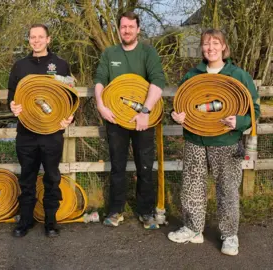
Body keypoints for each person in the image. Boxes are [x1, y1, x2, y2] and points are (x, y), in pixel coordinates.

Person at [168, 29, 260, 256]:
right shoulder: (192, 75)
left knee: (227, 190)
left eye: (215, 43)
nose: (210, 47)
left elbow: (254, 110)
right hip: (195, 139)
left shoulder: (238, 75)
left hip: (226, 141)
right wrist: (175, 115)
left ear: (224, 46)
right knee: (192, 187)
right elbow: (180, 104)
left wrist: (239, 121)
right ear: (202, 48)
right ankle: (193, 228)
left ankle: (229, 235)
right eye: (206, 44)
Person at [93, 11, 166, 229]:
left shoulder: (147, 52)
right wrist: (100, 105)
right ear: (118, 29)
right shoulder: (109, 53)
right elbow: (99, 81)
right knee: (118, 165)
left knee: (145, 166)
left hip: (143, 119)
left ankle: (145, 211)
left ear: (138, 29)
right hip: (115, 118)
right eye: (123, 27)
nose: (127, 30)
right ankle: (116, 211)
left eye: (130, 27)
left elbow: (158, 81)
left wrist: (145, 111)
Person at [8, 24, 74, 237]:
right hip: (26, 133)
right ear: (29, 40)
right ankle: (25, 221)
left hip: (52, 134)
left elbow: (71, 98)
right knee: (27, 177)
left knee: (52, 177)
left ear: (48, 39)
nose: (36, 41)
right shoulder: (19, 66)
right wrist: (12, 106)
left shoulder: (61, 65)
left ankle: (51, 222)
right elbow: (12, 97)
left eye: (40, 37)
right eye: (32, 37)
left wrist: (70, 117)